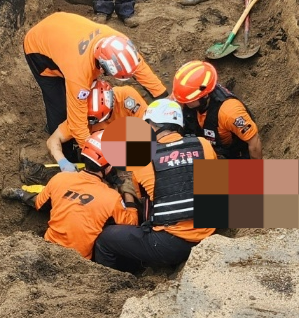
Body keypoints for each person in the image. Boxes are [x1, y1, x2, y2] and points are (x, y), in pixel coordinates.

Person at [93, 99, 218, 274]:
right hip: (210, 232)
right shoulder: (203, 144)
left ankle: (118, 282)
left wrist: (126, 192)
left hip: (172, 245)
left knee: (106, 239)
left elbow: (140, 202)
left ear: (151, 126)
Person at [22, 12, 167, 151]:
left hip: (64, 30)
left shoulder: (118, 43)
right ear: (102, 64)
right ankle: (66, 148)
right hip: (39, 47)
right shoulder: (79, 73)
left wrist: (165, 99)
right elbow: (77, 123)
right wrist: (93, 156)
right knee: (60, 109)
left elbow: (140, 69)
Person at [7, 134, 139, 260]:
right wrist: (128, 194)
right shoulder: (112, 198)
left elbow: (39, 204)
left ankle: (19, 194)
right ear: (109, 166)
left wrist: (23, 195)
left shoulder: (60, 178)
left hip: (47, 250)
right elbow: (131, 225)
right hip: (79, 262)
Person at [45, 78, 146, 168]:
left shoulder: (126, 97)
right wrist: (63, 163)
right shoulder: (81, 116)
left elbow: (148, 128)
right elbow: (52, 140)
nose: (94, 124)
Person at [172, 61, 263, 159]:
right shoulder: (186, 94)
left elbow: (254, 142)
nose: (184, 102)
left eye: (188, 100)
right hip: (204, 145)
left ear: (205, 96)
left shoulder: (230, 112)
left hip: (231, 154)